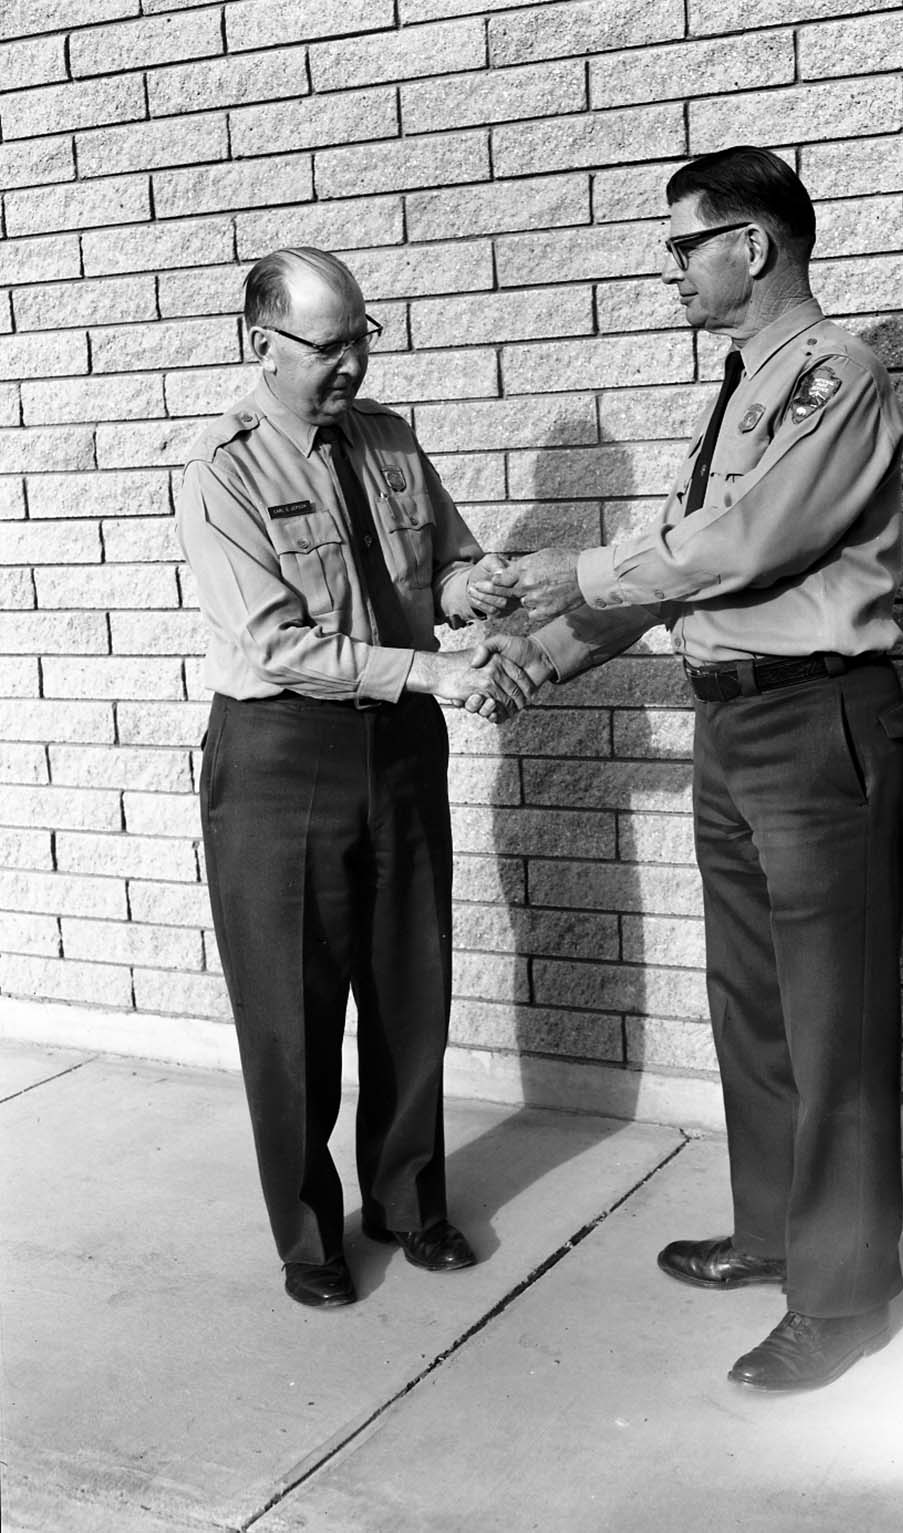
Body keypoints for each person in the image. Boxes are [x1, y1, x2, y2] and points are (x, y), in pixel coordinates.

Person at [478, 147, 903, 1390]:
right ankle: (778, 1234)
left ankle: (843, 1298)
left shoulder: (835, 374)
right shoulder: (743, 388)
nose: (670, 268)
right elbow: (687, 573)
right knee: (755, 1006)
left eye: (684, 244)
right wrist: (539, 657)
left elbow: (744, 543)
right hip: (736, 721)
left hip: (820, 719)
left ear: (755, 245)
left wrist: (581, 570)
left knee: (831, 1020)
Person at [177, 246, 535, 1309]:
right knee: (290, 1009)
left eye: (361, 340)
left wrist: (480, 588)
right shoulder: (223, 469)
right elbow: (278, 643)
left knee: (411, 983)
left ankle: (408, 1201)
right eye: (329, 346)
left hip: (401, 746)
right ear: (262, 345)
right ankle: (307, 1235)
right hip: (285, 751)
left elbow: (443, 567)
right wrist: (435, 668)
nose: (352, 367)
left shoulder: (388, 440)